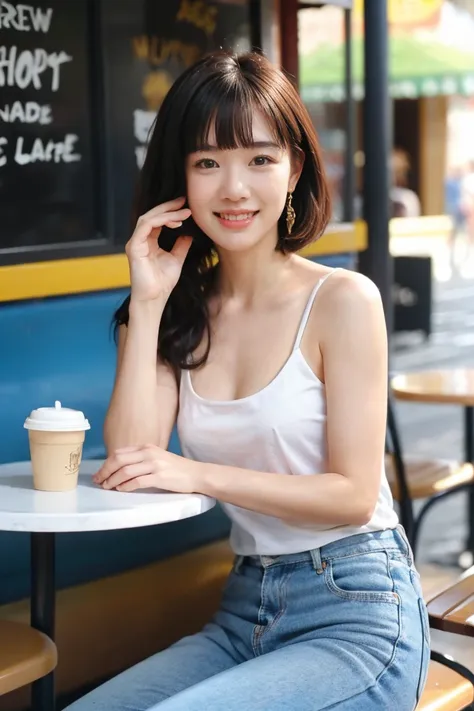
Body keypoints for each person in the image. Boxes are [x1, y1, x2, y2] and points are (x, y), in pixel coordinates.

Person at [67, 52, 430, 711]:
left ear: (294, 169)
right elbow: (131, 460)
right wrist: (146, 303)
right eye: (207, 162)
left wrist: (200, 472)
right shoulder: (174, 312)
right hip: (245, 608)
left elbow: (352, 495)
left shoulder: (343, 300)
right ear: (179, 177)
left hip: (358, 609)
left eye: (259, 159)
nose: (234, 188)